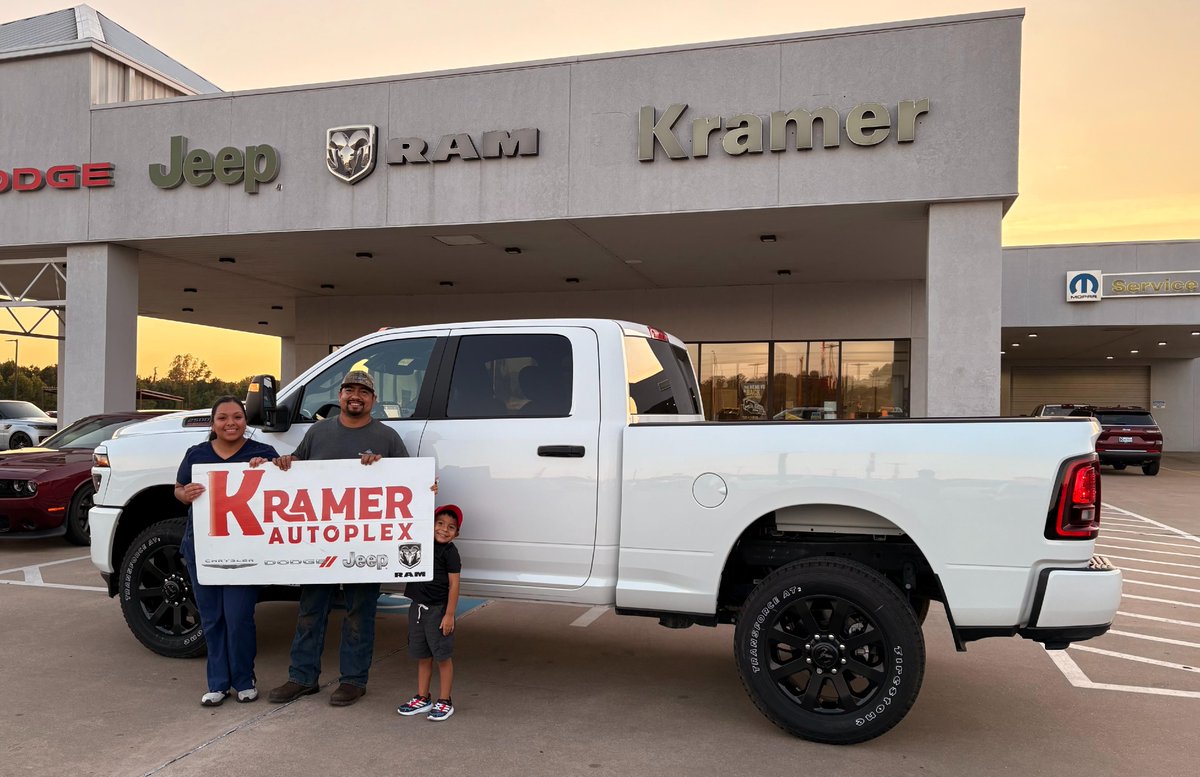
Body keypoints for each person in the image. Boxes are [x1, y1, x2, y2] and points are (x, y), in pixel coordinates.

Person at [263, 370, 416, 707]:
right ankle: (302, 678)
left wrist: (382, 468)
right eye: (349, 389)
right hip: (320, 544)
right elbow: (297, 471)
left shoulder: (387, 438)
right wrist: (285, 464)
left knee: (360, 612)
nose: (355, 396)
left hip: (366, 545)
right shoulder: (318, 433)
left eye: (363, 391)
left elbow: (410, 484)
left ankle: (353, 681)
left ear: (373, 400)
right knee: (310, 610)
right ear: (340, 395)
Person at [175, 396, 281, 707]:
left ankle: (244, 679)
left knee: (238, 618)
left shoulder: (261, 452)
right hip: (203, 550)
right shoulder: (197, 454)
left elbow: (288, 481)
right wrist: (185, 493)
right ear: (213, 423)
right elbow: (178, 488)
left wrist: (271, 469)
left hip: (244, 552)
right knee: (211, 618)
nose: (230, 423)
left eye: (237, 417)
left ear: (246, 421)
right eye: (223, 418)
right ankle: (218, 683)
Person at [396, 504, 463, 722]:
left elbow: (454, 585)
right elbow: (415, 509)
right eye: (440, 524)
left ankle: (445, 700)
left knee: (442, 656)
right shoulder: (421, 543)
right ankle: (423, 698)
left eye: (451, 527)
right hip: (417, 608)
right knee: (423, 656)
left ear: (457, 533)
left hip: (439, 611)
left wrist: (449, 614)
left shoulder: (451, 553)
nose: (444, 529)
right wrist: (429, 490)